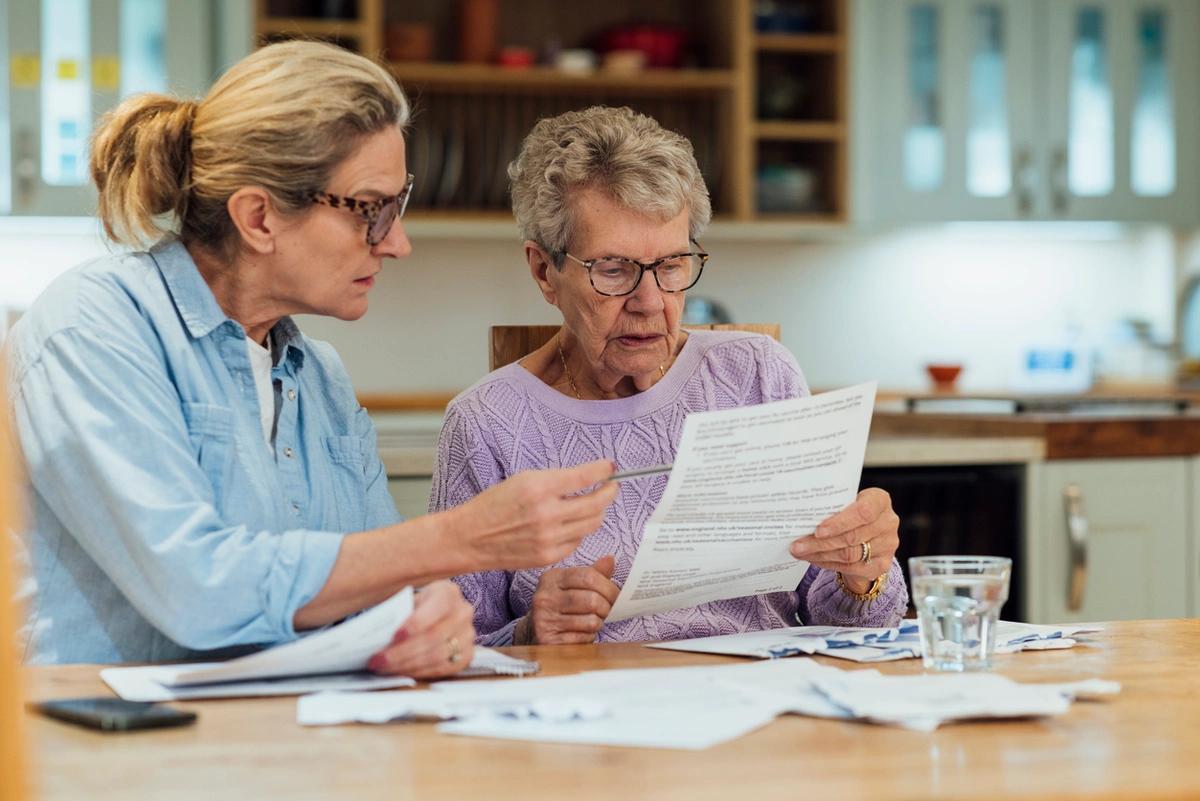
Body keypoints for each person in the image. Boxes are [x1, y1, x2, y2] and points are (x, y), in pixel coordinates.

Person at [6, 42, 616, 675]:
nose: (398, 243)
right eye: (372, 210)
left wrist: (423, 616)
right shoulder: (91, 330)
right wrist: (461, 538)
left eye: (398, 206)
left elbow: (381, 583)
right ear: (258, 218)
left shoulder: (318, 375)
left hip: (282, 725)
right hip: (102, 729)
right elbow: (197, 591)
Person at [431, 106, 907, 646]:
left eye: (672, 265)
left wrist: (862, 570)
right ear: (544, 271)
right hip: (596, 696)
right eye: (613, 269)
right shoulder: (485, 423)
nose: (651, 302)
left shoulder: (758, 375)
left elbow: (853, 626)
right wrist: (529, 631)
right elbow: (449, 649)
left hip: (762, 689)